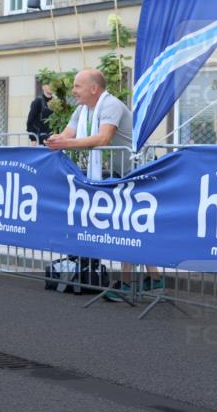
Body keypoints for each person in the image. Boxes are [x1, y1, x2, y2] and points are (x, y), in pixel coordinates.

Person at [45, 69, 162, 301]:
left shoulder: (111, 105)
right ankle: (154, 278)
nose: (73, 90)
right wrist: (55, 140)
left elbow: (103, 138)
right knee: (128, 226)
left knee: (128, 225)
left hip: (143, 170)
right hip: (124, 171)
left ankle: (128, 283)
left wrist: (66, 144)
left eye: (77, 86)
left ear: (94, 88)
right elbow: (67, 135)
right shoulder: (82, 110)